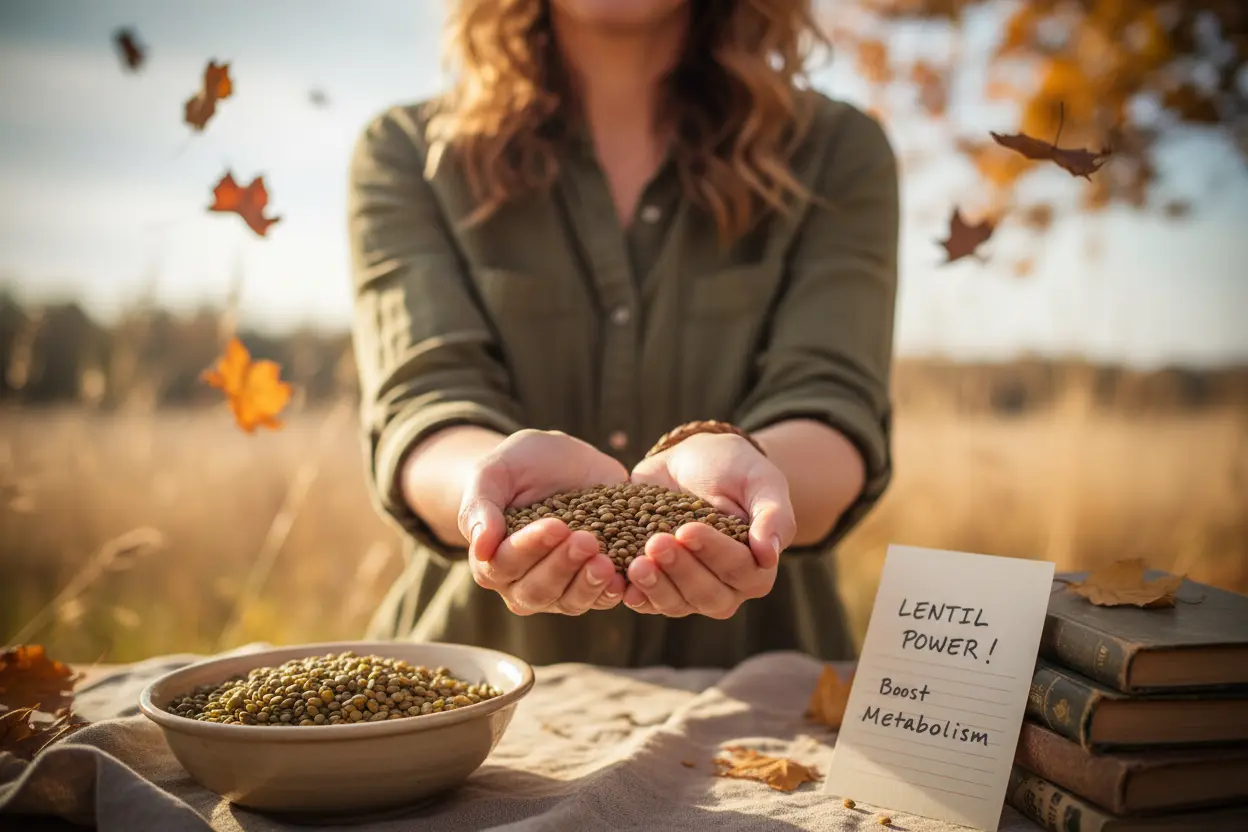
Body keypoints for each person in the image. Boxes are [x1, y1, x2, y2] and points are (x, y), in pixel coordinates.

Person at [347, 0, 899, 669]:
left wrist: (752, 476)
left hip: (760, 688)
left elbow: (834, 405)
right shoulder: (411, 154)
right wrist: (488, 489)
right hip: (471, 685)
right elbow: (423, 404)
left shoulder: (835, 151)